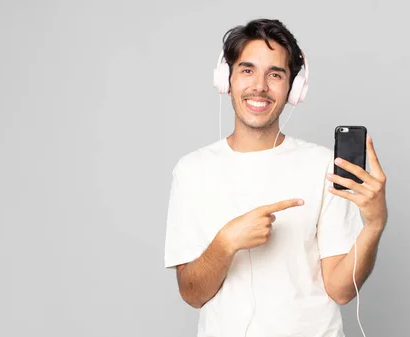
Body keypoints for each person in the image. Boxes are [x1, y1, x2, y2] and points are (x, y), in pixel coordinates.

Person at [163, 18, 388, 337]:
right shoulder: (191, 171)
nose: (259, 86)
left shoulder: (323, 165)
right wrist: (226, 242)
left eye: (275, 75)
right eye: (247, 70)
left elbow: (341, 290)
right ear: (226, 79)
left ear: (294, 89)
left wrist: (375, 224)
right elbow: (192, 294)